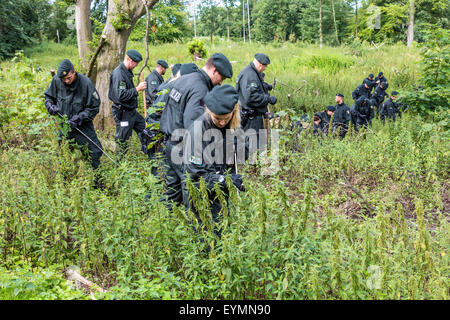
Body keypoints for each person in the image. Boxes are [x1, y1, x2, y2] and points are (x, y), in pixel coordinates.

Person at [158, 53, 233, 208]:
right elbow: (195, 126)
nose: (220, 83)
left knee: (172, 191)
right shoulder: (201, 90)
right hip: (182, 148)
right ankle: (196, 228)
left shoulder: (185, 78)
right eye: (222, 78)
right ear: (214, 71)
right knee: (193, 192)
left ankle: (163, 223)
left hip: (169, 143)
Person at [183, 84, 245, 238]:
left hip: (219, 192)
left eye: (226, 118)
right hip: (201, 196)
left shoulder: (231, 125)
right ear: (209, 112)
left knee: (223, 232)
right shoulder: (197, 133)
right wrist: (226, 180)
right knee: (206, 238)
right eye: (218, 118)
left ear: (234, 112)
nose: (222, 122)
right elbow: (196, 178)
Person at [44, 59, 103, 170]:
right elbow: (48, 97)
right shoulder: (56, 80)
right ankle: (63, 181)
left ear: (74, 71)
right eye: (63, 79)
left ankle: (97, 182)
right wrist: (50, 105)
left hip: (82, 126)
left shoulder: (86, 83)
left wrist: (81, 117)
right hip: (64, 125)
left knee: (95, 152)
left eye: (68, 78)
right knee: (62, 153)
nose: (66, 81)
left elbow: (94, 107)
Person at [236, 53, 278, 160]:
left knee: (256, 142)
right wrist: (268, 99)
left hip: (253, 115)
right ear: (261, 64)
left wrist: (264, 87)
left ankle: (253, 166)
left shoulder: (251, 73)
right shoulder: (250, 75)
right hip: (251, 116)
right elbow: (251, 97)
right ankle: (249, 169)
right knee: (252, 143)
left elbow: (253, 90)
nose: (264, 69)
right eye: (265, 66)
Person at [108, 49, 147, 158]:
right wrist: (137, 89)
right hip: (123, 113)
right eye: (135, 63)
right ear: (130, 60)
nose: (136, 66)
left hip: (131, 111)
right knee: (122, 141)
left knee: (145, 129)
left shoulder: (127, 72)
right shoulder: (119, 74)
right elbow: (121, 95)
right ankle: (119, 166)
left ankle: (150, 155)